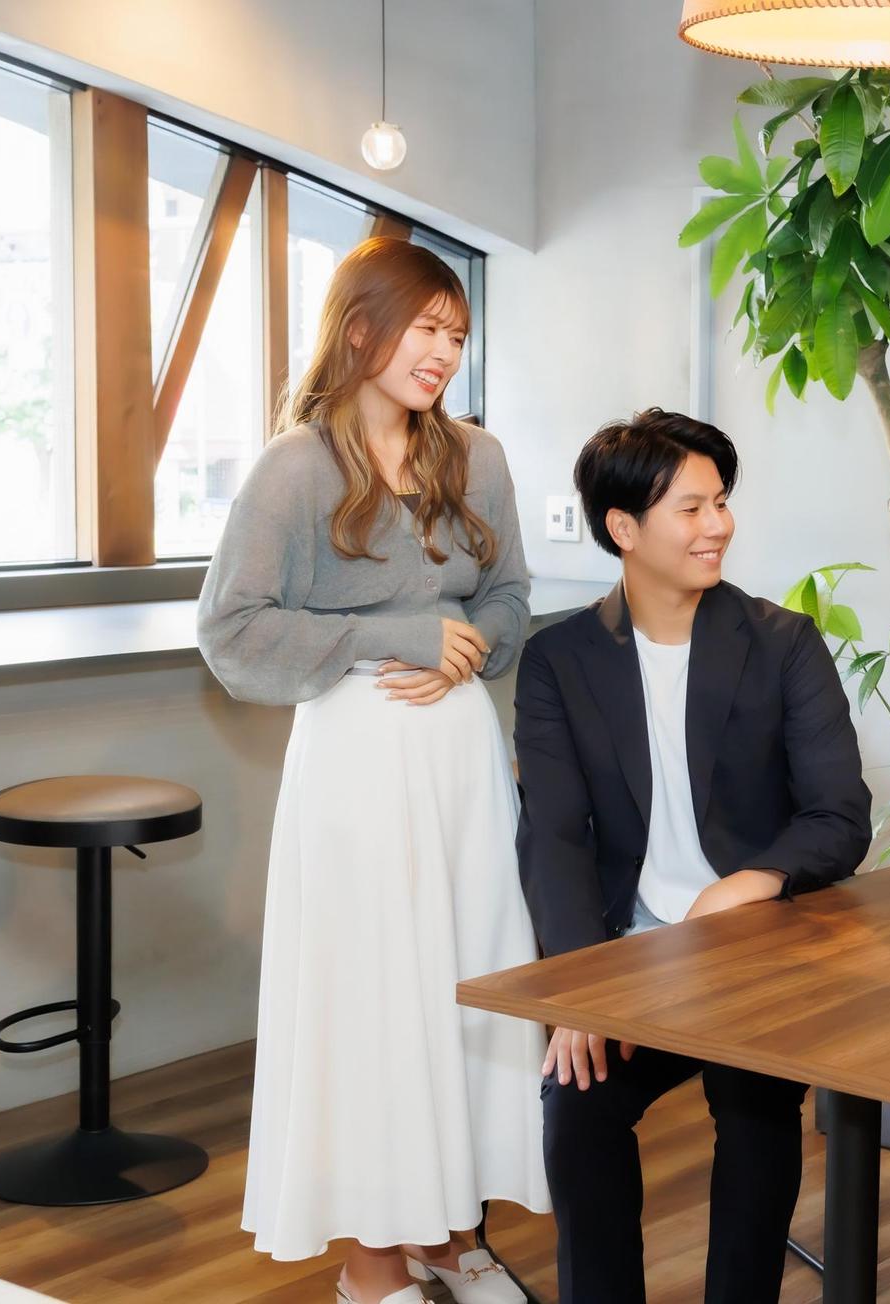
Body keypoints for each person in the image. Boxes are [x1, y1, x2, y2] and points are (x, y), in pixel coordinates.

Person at [199, 236, 544, 1304]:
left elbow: (511, 596)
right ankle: (372, 1261)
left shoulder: (477, 456)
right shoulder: (295, 467)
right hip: (354, 766)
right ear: (361, 330)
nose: (444, 352)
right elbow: (231, 630)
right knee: (374, 1001)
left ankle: (450, 1232)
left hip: (461, 763)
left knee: (467, 989)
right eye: (425, 329)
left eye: (456, 334)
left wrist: (469, 647)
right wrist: (396, 637)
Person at [515, 408, 870, 1304]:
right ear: (623, 528)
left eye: (721, 503)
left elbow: (839, 814)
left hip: (750, 952)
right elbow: (554, 835)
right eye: (691, 508)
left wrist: (749, 883)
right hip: (630, 958)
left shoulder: (782, 642)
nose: (718, 525)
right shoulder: (558, 660)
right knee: (577, 1109)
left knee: (757, 1112)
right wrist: (580, 987)